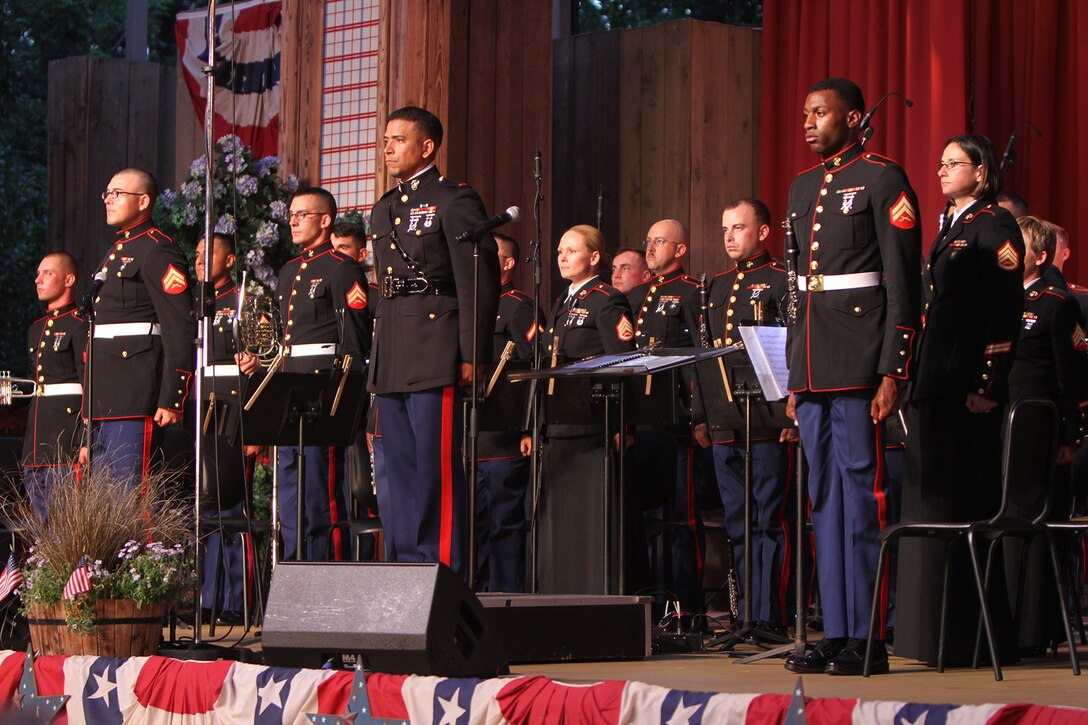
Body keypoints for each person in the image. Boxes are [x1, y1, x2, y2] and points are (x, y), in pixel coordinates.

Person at [782, 78, 921, 676]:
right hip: (813, 364)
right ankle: (836, 631)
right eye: (805, 113)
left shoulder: (883, 177)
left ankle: (869, 635)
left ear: (854, 116)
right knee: (822, 501)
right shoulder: (802, 185)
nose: (808, 122)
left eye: (820, 112)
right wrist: (793, 373)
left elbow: (902, 282)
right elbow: (796, 290)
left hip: (862, 360)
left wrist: (894, 366)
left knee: (862, 500)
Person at [896, 133, 1025, 668]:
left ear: (982, 170)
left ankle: (967, 639)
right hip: (937, 380)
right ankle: (936, 636)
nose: (943, 171)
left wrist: (987, 383)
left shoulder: (993, 224)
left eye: (955, 163)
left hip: (965, 387)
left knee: (959, 508)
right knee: (934, 507)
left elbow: (1003, 309)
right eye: (941, 162)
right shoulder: (951, 225)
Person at [367, 106, 500, 576]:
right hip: (393, 345)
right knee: (396, 470)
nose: (387, 148)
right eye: (385, 140)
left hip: (436, 341)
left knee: (435, 469)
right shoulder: (383, 207)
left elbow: (477, 282)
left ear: (427, 147)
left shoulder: (453, 199)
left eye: (397, 140)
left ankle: (441, 572)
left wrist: (472, 353)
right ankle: (405, 569)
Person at [239, 187, 373, 562]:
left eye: (303, 214)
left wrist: (341, 402)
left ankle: (328, 577)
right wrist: (260, 363)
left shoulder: (342, 269)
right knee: (291, 496)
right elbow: (286, 340)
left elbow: (354, 346)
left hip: (320, 394)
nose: (293, 221)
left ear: (325, 220)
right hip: (288, 391)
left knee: (321, 496)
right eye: (291, 215)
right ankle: (296, 571)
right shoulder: (288, 271)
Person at [698, 198, 792, 630]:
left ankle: (768, 615)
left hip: (768, 420)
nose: (730, 237)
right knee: (736, 521)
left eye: (739, 228)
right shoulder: (715, 285)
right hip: (725, 421)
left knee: (767, 520)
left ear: (763, 232)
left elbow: (792, 347)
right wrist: (703, 414)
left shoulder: (779, 278)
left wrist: (793, 414)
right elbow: (704, 354)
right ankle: (742, 615)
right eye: (725, 230)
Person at [538, 224, 637, 594]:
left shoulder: (606, 300)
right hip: (560, 426)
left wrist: (620, 424)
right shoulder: (562, 301)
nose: (562, 257)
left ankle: (594, 595)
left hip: (593, 427)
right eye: (560, 251)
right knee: (562, 523)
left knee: (592, 524)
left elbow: (623, 364)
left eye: (571, 251)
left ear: (594, 257)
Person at [1004, 216, 1088, 652]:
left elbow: (1073, 379)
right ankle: (1002, 625)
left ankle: (1033, 632)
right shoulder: (995, 300)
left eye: (1019, 248)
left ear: (1038, 257)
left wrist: (1071, 437)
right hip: (1001, 432)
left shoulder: (1056, 302)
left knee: (1035, 531)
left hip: (1040, 434)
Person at [82, 168, 196, 489]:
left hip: (135, 392)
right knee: (105, 502)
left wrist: (172, 396)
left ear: (143, 201)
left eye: (118, 193)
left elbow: (179, 327)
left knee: (131, 496)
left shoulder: (158, 249)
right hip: (104, 395)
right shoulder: (116, 251)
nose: (109, 200)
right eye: (107, 194)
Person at [624, 219, 705, 614]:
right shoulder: (635, 294)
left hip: (676, 420)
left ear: (680, 250)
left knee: (681, 519)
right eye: (649, 240)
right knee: (640, 518)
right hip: (640, 419)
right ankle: (649, 605)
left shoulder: (692, 293)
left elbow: (701, 360)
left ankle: (688, 609)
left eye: (660, 241)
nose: (651, 247)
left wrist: (700, 414)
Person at [475, 233, 541, 591]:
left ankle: (507, 601)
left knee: (505, 524)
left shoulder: (518, 306)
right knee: (475, 527)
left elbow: (536, 367)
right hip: (473, 433)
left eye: (491, 254)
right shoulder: (471, 304)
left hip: (505, 435)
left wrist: (529, 427)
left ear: (509, 263)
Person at [194, 234, 250, 621]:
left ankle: (236, 601)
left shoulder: (242, 302)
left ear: (229, 260)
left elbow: (258, 362)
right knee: (202, 506)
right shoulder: (189, 302)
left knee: (232, 504)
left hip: (232, 407)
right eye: (195, 254)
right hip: (196, 407)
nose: (199, 260)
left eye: (207, 253)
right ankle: (206, 600)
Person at [22, 253, 87, 520]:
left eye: (47, 273)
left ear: (69, 279)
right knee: (40, 526)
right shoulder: (35, 329)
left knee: (66, 524)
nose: (38, 280)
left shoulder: (81, 325)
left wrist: (85, 439)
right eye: (38, 273)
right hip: (37, 442)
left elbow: (89, 384)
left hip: (66, 440)